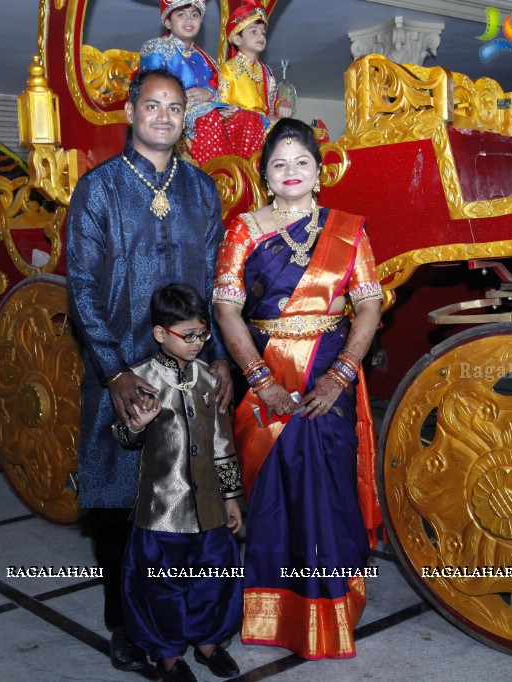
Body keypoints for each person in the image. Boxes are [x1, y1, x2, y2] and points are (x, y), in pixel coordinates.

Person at [66, 67, 232, 673]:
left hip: (190, 378)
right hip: (123, 376)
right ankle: (123, 626)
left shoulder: (201, 191)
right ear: (131, 112)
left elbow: (216, 286)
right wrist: (114, 373)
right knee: (118, 507)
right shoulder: (100, 189)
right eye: (153, 105)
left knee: (190, 505)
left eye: (175, 107)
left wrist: (217, 357)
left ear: (185, 116)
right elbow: (81, 288)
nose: (164, 115)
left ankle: (194, 625)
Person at [213, 118, 383, 659]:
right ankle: (274, 612)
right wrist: (261, 383)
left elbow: (370, 304)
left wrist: (342, 374)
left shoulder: (349, 229)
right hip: (267, 372)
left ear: (318, 172)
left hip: (329, 372)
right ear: (265, 174)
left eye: (301, 162)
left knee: (327, 484)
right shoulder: (243, 229)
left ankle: (331, 610)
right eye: (279, 163)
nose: (291, 172)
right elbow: (225, 307)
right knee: (275, 488)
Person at [116, 283, 244, 682]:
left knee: (213, 577)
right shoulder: (138, 379)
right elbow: (123, 436)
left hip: (209, 507)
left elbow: (222, 440)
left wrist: (232, 497)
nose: (197, 343)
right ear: (160, 333)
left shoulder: (209, 378)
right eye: (187, 335)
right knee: (162, 585)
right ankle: (169, 654)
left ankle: (207, 641)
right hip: (162, 509)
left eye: (203, 335)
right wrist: (135, 429)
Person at [140, 0, 263, 165]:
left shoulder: (205, 58)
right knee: (208, 116)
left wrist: (210, 93)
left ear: (201, 21)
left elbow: (220, 90)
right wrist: (184, 97)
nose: (189, 19)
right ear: (168, 22)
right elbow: (149, 87)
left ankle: (243, 174)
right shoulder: (156, 47)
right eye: (181, 14)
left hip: (211, 111)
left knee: (249, 120)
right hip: (176, 112)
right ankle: (220, 174)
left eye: (194, 15)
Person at [216, 0, 292, 145]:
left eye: (263, 33)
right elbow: (222, 109)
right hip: (240, 130)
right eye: (254, 31)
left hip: (264, 128)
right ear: (237, 39)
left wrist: (282, 103)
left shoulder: (266, 72)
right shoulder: (228, 68)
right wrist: (258, 118)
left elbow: (274, 101)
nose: (261, 36)